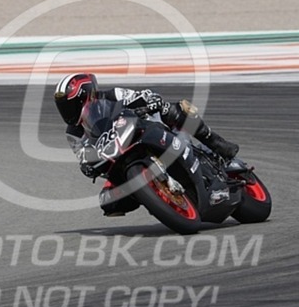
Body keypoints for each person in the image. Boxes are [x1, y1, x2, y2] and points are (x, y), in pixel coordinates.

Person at [54, 72, 239, 216]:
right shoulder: (73, 133)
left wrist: (150, 101)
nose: (67, 111)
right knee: (108, 202)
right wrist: (87, 166)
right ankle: (154, 196)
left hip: (143, 130)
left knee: (173, 110)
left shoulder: (111, 95)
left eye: (70, 105)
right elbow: (83, 156)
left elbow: (141, 95)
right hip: (117, 159)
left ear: (86, 95)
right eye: (63, 107)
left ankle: (215, 143)